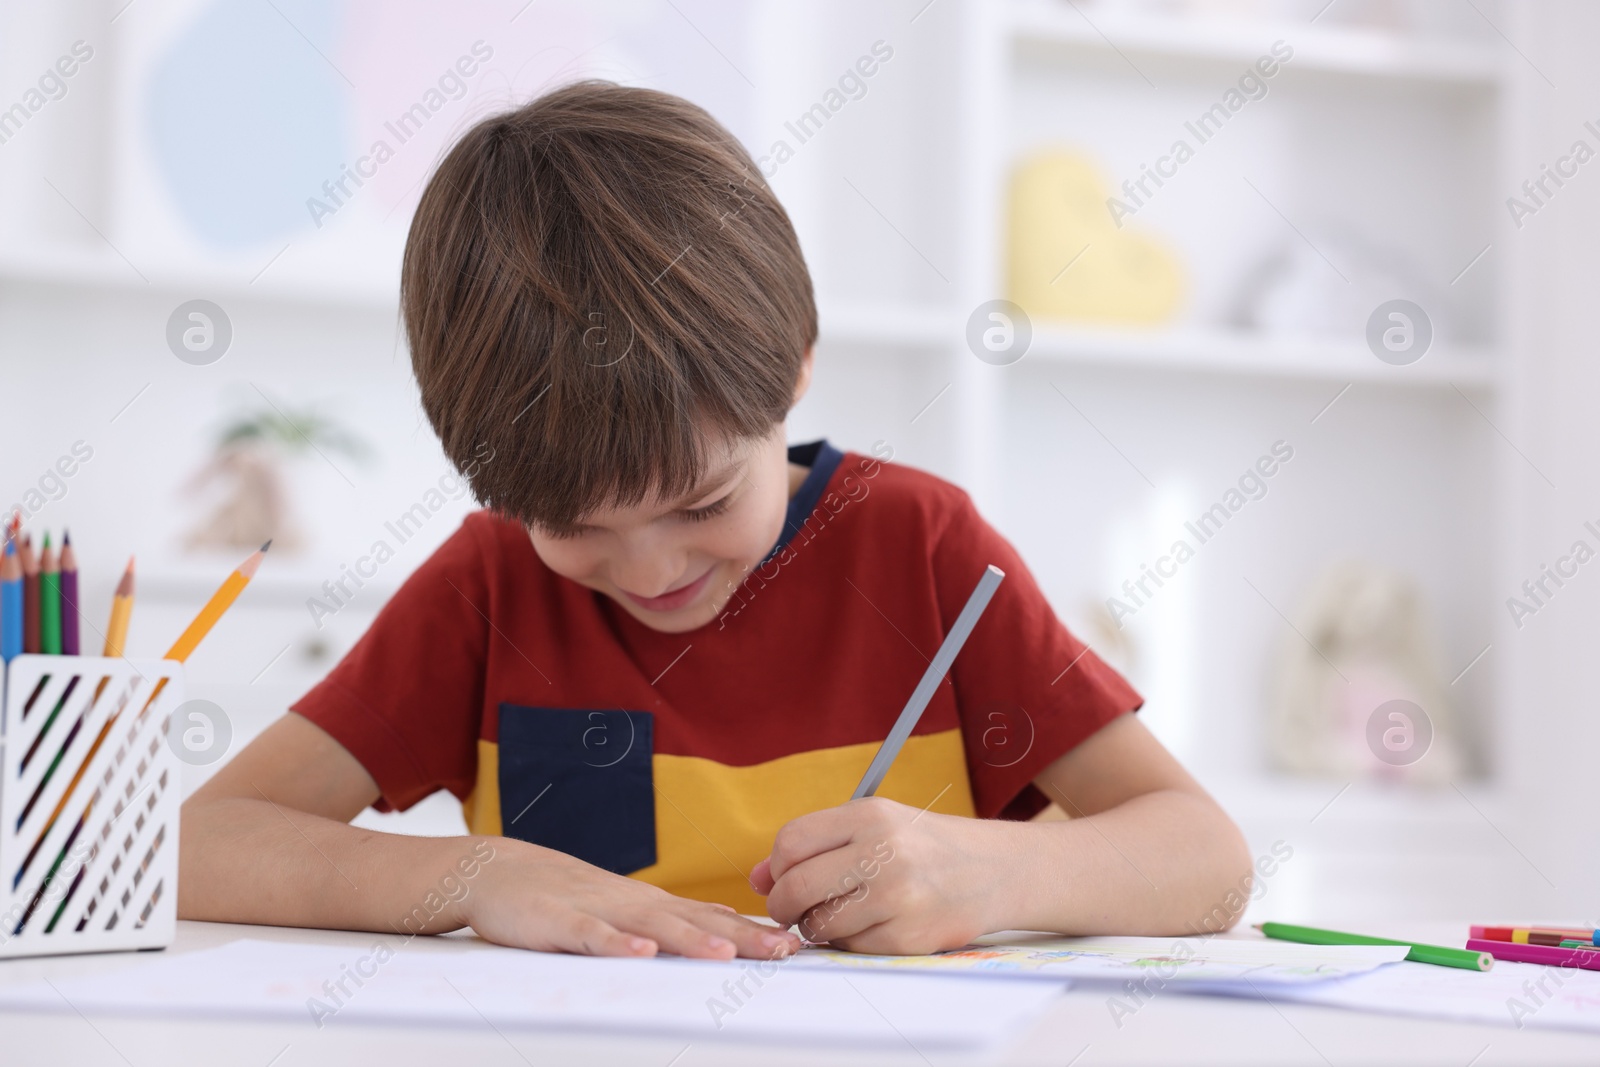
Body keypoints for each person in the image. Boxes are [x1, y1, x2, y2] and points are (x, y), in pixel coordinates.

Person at [179, 81, 1250, 962]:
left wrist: (992, 872)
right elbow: (193, 843)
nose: (648, 566)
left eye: (701, 501)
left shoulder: (920, 547)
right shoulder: (487, 586)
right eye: (574, 523)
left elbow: (1207, 859)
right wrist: (472, 876)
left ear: (793, 371)